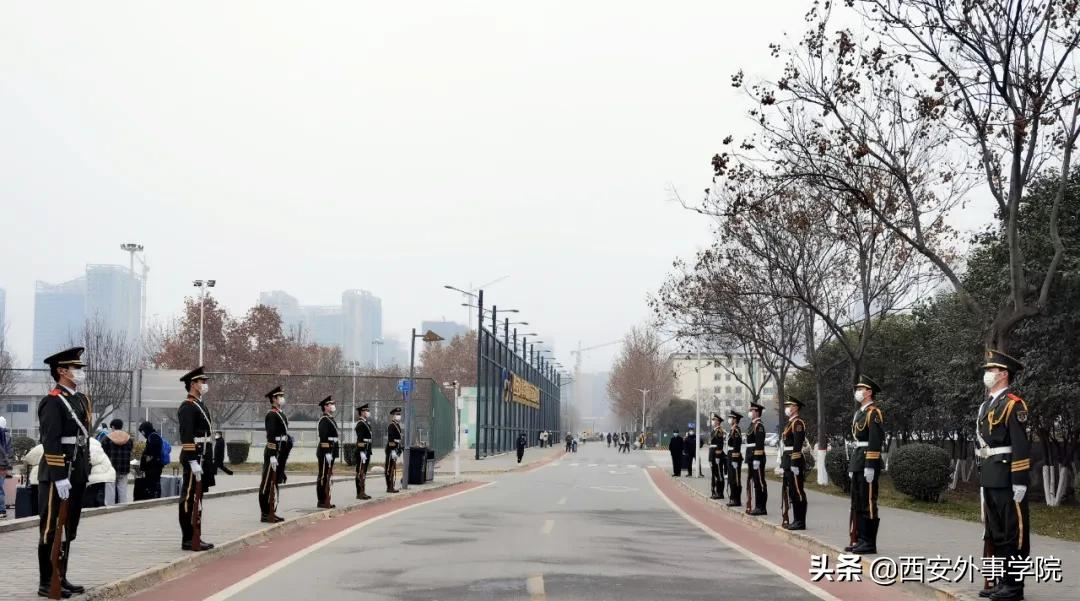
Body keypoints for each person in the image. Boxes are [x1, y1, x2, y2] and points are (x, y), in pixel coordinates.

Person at [37, 347, 92, 597]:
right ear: (61, 371)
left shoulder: (80, 399)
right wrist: (59, 476)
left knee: (69, 527)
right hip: (58, 472)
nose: (80, 372)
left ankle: (61, 575)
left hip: (77, 470)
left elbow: (85, 438)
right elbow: (51, 440)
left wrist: (85, 468)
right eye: (76, 368)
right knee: (51, 527)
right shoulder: (53, 401)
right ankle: (47, 582)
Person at [976, 350, 1031, 601]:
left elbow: (1020, 444)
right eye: (987, 370)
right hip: (991, 475)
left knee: (1013, 533)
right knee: (996, 533)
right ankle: (1000, 582)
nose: (987, 374)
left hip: (1008, 476)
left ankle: (1014, 587)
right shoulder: (986, 405)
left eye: (991, 370)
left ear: (1003, 374)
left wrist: (1019, 480)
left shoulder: (1013, 404)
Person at [844, 374, 885, 554]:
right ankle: (859, 539)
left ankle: (869, 542)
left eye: (860, 389)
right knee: (858, 501)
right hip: (858, 458)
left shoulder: (873, 413)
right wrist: (854, 465)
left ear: (869, 392)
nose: (858, 392)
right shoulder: (860, 413)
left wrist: (870, 463)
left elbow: (875, 440)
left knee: (868, 501)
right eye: (857, 389)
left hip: (868, 458)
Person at [178, 366, 215, 551]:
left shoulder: (199, 405)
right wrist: (192, 460)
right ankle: (187, 537)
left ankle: (196, 534)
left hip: (203, 455)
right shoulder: (187, 406)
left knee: (197, 497)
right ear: (193, 384)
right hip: (194, 455)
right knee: (189, 497)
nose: (205, 385)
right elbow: (186, 435)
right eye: (202, 382)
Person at [260, 386, 288, 522]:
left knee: (275, 481)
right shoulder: (271, 414)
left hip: (280, 449)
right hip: (273, 450)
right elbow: (271, 435)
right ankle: (265, 512)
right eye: (279, 396)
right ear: (273, 399)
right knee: (267, 481)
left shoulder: (279, 413)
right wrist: (271, 454)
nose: (282, 398)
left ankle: (272, 509)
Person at [780, 396, 807, 530]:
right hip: (788, 459)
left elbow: (797, 444)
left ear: (796, 408)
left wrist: (795, 463)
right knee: (792, 491)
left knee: (797, 491)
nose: (787, 408)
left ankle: (800, 521)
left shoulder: (798, 423)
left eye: (790, 405)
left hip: (794, 459)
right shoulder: (790, 423)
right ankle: (796, 519)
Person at [101, 419, 132, 506]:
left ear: (113, 427)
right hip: (124, 468)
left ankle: (110, 507)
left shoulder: (107, 438)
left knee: (110, 490)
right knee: (123, 490)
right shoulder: (128, 439)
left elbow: (102, 453)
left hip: (110, 468)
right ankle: (123, 507)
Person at [315, 396, 339, 509]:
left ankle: (326, 499)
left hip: (331, 450)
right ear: (325, 406)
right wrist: (327, 452)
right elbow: (323, 437)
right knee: (323, 475)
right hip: (326, 451)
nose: (332, 406)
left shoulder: (330, 418)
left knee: (327, 476)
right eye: (330, 404)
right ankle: (322, 500)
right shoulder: (324, 420)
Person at [747, 402, 768, 516]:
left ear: (757, 412)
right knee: (755, 483)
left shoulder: (759, 426)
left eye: (752, 410)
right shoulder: (752, 425)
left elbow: (759, 444)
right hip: (752, 456)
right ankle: (757, 506)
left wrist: (756, 458)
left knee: (760, 482)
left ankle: (761, 507)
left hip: (757, 458)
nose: (750, 412)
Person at [137, 421, 163, 500]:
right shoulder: (152, 436)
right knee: (153, 483)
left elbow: (153, 454)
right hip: (153, 466)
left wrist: (146, 461)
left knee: (153, 484)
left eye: (143, 431)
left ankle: (154, 498)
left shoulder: (153, 437)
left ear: (146, 429)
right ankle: (153, 497)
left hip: (153, 467)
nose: (142, 433)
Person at [354, 404, 373, 500]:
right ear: (362, 412)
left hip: (367, 449)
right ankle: (359, 492)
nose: (368, 412)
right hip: (363, 450)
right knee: (360, 471)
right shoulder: (360, 424)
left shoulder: (366, 423)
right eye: (366, 410)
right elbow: (360, 439)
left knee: (364, 472)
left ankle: (363, 491)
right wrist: (361, 451)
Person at [726, 410, 744, 507]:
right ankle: (732, 498)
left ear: (735, 419)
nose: (729, 420)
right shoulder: (732, 429)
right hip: (730, 454)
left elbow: (737, 445)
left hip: (734, 456)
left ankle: (736, 499)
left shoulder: (736, 430)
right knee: (731, 478)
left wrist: (735, 458)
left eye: (731, 418)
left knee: (735, 479)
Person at [706, 415, 726, 500]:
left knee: (719, 474)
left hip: (716, 455)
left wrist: (718, 456)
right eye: (713, 420)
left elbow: (719, 445)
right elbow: (712, 445)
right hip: (712, 455)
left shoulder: (719, 431)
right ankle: (714, 491)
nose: (713, 421)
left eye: (714, 420)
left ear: (718, 421)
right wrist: (710, 458)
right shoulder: (714, 431)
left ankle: (720, 493)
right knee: (714, 474)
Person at [385, 407, 402, 493]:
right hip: (391, 448)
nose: (399, 416)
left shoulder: (397, 425)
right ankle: (389, 486)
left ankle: (392, 485)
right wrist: (392, 450)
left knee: (393, 467)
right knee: (389, 468)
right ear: (393, 416)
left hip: (396, 447)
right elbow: (390, 439)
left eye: (399, 414)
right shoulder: (391, 425)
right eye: (397, 414)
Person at [0, 415, 11, 519]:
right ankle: (2, 510)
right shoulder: (7, 436)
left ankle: (1, 510)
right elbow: (8, 452)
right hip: (3, 465)